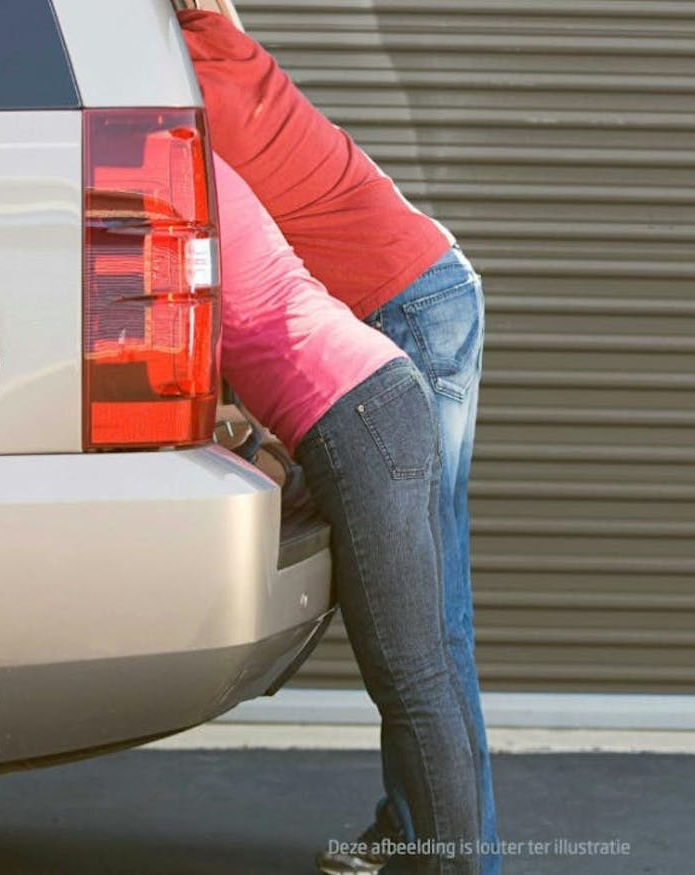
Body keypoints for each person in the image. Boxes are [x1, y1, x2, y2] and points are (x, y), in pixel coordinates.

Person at [179, 11, 499, 875]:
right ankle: (414, 824)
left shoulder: (191, 86)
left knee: (429, 634)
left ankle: (459, 850)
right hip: (394, 320)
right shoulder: (203, 56)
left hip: (410, 314)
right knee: (419, 630)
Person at [212, 152, 479, 875]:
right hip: (377, 398)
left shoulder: (182, 185)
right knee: (423, 669)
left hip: (360, 419)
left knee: (411, 675)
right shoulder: (206, 175)